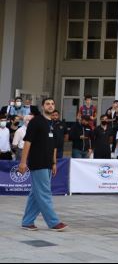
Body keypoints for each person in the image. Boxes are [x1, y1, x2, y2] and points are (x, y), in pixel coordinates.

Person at [18, 97, 67, 231]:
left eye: (52, 104)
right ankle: (53, 222)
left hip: (48, 163)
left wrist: (54, 163)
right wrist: (23, 162)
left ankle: (27, 222)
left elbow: (54, 147)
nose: (50, 106)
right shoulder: (36, 122)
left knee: (36, 193)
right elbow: (28, 142)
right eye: (47, 104)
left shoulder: (54, 124)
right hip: (37, 162)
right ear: (42, 106)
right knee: (45, 192)